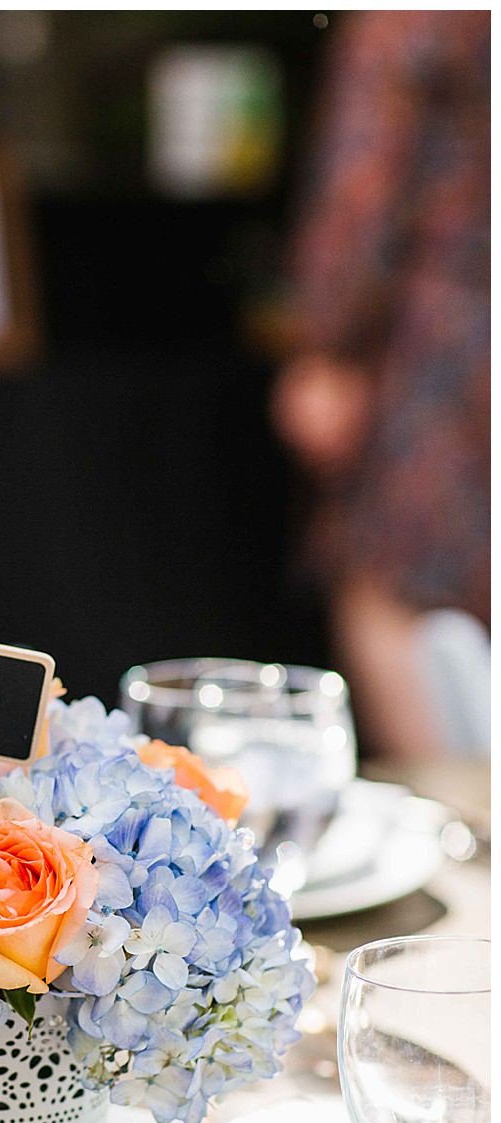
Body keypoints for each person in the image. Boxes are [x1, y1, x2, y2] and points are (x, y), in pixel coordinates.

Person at [272, 11, 488, 759]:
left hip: (454, 337)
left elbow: (364, 176)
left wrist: (325, 343)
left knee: (388, 594)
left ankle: (465, 842)